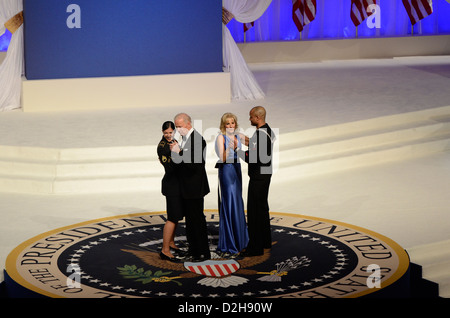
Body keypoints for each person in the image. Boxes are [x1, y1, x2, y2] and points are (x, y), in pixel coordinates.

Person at [170, 113, 211, 262]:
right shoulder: (186, 138)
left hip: (195, 188)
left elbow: (195, 165)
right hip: (186, 187)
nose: (178, 129)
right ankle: (193, 250)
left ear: (188, 124)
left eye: (180, 126)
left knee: (197, 221)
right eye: (176, 126)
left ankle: (202, 252)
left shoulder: (198, 140)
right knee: (190, 221)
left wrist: (179, 153)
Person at [236, 106, 276, 257]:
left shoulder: (260, 135)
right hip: (265, 175)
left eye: (251, 117)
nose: (249, 119)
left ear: (257, 118)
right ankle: (265, 243)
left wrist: (236, 149)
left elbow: (251, 158)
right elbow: (257, 146)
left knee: (254, 213)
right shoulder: (267, 130)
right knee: (262, 210)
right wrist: (245, 139)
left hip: (258, 177)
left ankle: (256, 247)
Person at [214, 113, 249, 258]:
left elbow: (255, 144)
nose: (230, 126)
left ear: (236, 124)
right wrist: (230, 148)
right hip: (227, 171)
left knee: (238, 202)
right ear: (223, 125)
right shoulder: (220, 138)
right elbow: (222, 158)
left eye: (232, 123)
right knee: (230, 203)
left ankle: (241, 241)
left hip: (237, 170)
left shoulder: (239, 136)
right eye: (227, 124)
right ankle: (230, 243)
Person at [156, 121, 184, 262]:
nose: (168, 135)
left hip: (176, 184)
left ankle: (171, 243)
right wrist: (179, 154)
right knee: (172, 218)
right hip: (171, 184)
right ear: (162, 132)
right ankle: (165, 250)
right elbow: (172, 167)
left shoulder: (174, 141)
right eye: (165, 132)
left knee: (176, 216)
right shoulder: (163, 147)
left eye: (170, 132)